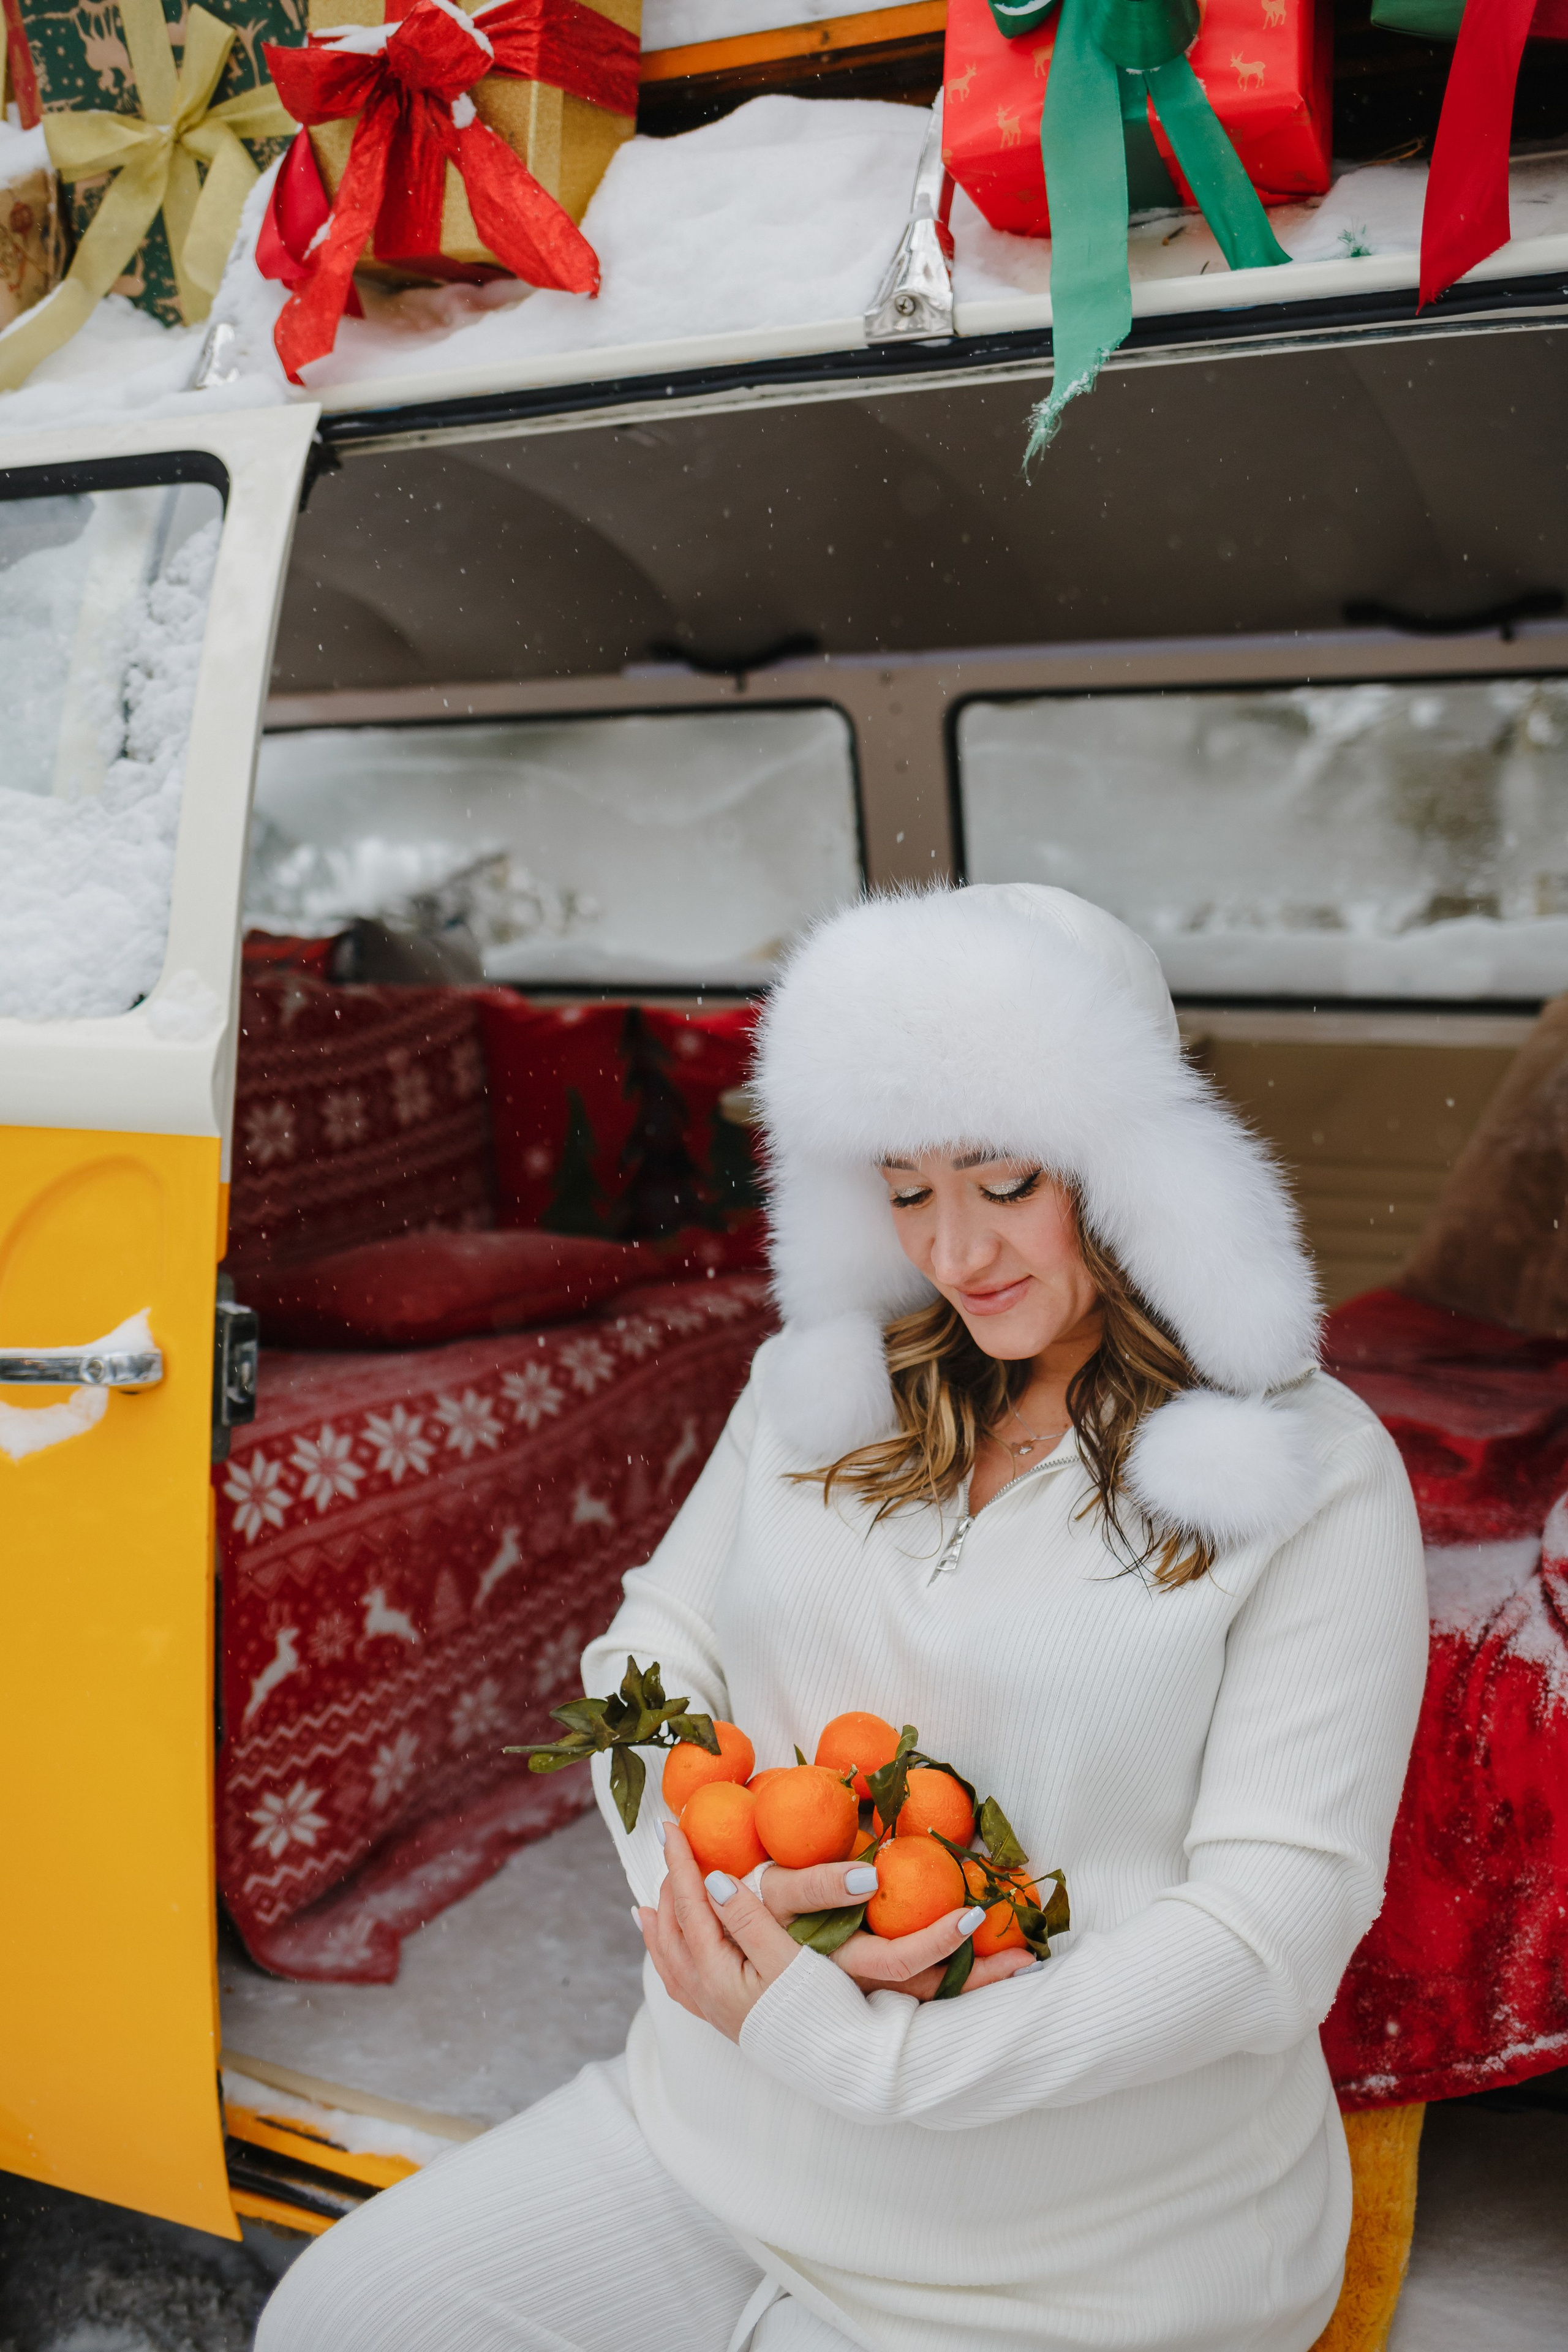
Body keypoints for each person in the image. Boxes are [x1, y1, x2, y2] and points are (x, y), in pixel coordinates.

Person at [258, 884, 1427, 2352]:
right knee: (341, 2320)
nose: (953, 1254)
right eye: (902, 1184)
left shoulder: (1315, 1475)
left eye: (1005, 1182)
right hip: (716, 2130)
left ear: (1135, 1164)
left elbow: (1272, 1931)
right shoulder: (816, 1390)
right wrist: (727, 1891)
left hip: (1089, 2246)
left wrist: (867, 2063)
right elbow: (643, 1663)